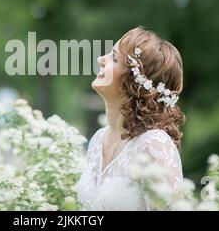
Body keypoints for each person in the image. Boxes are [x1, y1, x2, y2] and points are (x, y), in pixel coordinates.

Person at [76, 26, 186, 210]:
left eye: (114, 58)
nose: (100, 60)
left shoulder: (154, 143)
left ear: (135, 81)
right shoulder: (97, 141)